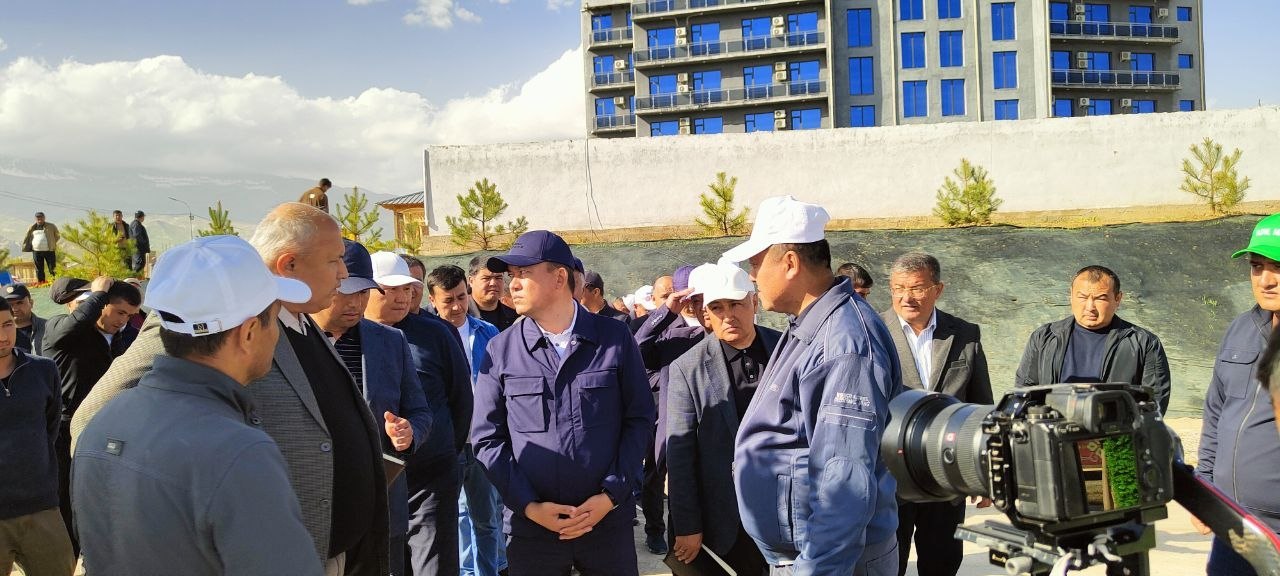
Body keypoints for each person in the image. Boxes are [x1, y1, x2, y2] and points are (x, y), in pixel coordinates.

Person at [72, 203, 391, 575]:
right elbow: (95, 423)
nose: (344, 273)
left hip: (330, 551)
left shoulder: (300, 317)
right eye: (334, 261)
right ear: (288, 264)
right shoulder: (203, 316)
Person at [724, 195, 903, 575]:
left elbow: (844, 485)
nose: (752, 275)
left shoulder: (844, 345)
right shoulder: (811, 325)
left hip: (831, 561)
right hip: (807, 555)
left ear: (790, 263)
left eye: (756, 262)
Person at [471, 230, 655, 576]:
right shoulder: (502, 350)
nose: (513, 284)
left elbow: (640, 419)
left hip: (606, 525)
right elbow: (486, 439)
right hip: (532, 532)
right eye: (511, 275)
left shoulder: (614, 339)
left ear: (559, 278)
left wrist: (610, 496)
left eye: (524, 273)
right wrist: (530, 506)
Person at [314, 240, 434, 576]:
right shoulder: (295, 343)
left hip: (379, 507)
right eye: (346, 293)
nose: (355, 303)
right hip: (317, 508)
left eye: (364, 293)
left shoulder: (389, 341)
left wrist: (408, 433)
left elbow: (421, 412)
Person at [880, 253, 993, 576]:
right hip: (891, 476)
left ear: (937, 289)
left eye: (917, 288)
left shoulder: (964, 334)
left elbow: (980, 405)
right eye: (899, 288)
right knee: (888, 565)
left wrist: (983, 474)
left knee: (942, 563)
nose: (907, 297)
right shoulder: (873, 330)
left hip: (946, 474)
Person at [666, 262, 779, 576]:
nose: (728, 315)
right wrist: (687, 525)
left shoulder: (786, 350)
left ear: (754, 302)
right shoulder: (687, 369)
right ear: (706, 314)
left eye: (736, 304)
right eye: (717, 307)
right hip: (720, 520)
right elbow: (680, 453)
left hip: (780, 514)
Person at [366, 252, 472, 576]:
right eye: (390, 290)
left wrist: (442, 450)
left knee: (434, 566)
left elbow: (461, 399)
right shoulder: (347, 339)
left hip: (431, 477)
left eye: (407, 288)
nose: (402, 297)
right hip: (375, 481)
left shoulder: (436, 334)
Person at [1195, 214, 1280, 576]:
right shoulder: (1240, 329)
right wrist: (1203, 491)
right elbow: (1216, 411)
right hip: (1233, 523)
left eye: (1278, 267)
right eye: (1257, 267)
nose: (1266, 280)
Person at [42, 277, 141, 554]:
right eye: (119, 312)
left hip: (108, 430)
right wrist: (97, 294)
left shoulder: (126, 339)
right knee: (66, 499)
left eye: (130, 315)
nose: (123, 320)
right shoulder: (64, 331)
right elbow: (71, 326)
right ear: (101, 305)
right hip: (64, 431)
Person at [426, 264, 506, 576]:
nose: (457, 306)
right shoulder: (426, 336)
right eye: (448, 301)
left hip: (484, 440)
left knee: (487, 517)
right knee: (456, 517)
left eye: (462, 297)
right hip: (449, 442)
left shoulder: (488, 333)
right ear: (433, 300)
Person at [1015, 265, 1172, 414]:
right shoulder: (1044, 337)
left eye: (1100, 298)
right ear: (1071, 295)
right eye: (1082, 297)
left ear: (1118, 298)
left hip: (1116, 431)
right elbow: (1025, 391)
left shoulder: (1144, 343)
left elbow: (1154, 401)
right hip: (1055, 428)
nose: (1090, 307)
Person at [634, 266, 707, 555]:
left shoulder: (713, 322)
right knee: (656, 472)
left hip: (707, 413)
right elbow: (638, 350)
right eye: (683, 295)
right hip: (667, 414)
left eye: (696, 295)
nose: (691, 302)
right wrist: (666, 311)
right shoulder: (666, 329)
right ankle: (655, 529)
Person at [0, 296, 74, 576]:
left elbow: (49, 428)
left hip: (41, 507)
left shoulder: (43, 369)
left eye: (7, 325)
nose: (2, 336)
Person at [469, 256, 519, 331]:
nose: (493, 283)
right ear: (471, 281)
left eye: (498, 278)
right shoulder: (460, 316)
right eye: (486, 278)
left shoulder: (515, 318)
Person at [6, 284, 46, 356]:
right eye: (9, 305)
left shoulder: (48, 328)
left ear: (31, 303)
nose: (14, 309)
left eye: (19, 303)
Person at [22, 212, 59, 285]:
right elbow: (28, 237)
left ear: (44, 218)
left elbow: (57, 236)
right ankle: (41, 283)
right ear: (35, 219)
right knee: (39, 269)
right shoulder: (32, 227)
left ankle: (55, 283)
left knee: (52, 268)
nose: (39, 219)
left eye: (41, 217)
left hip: (49, 250)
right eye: (38, 217)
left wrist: (52, 242)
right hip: (36, 251)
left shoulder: (51, 226)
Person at [130, 210, 150, 276]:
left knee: (141, 264)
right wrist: (144, 243)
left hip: (139, 248)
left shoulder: (136, 224)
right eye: (143, 217)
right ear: (141, 217)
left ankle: (136, 278)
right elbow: (137, 236)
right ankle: (133, 278)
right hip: (138, 248)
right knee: (139, 264)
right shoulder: (136, 224)